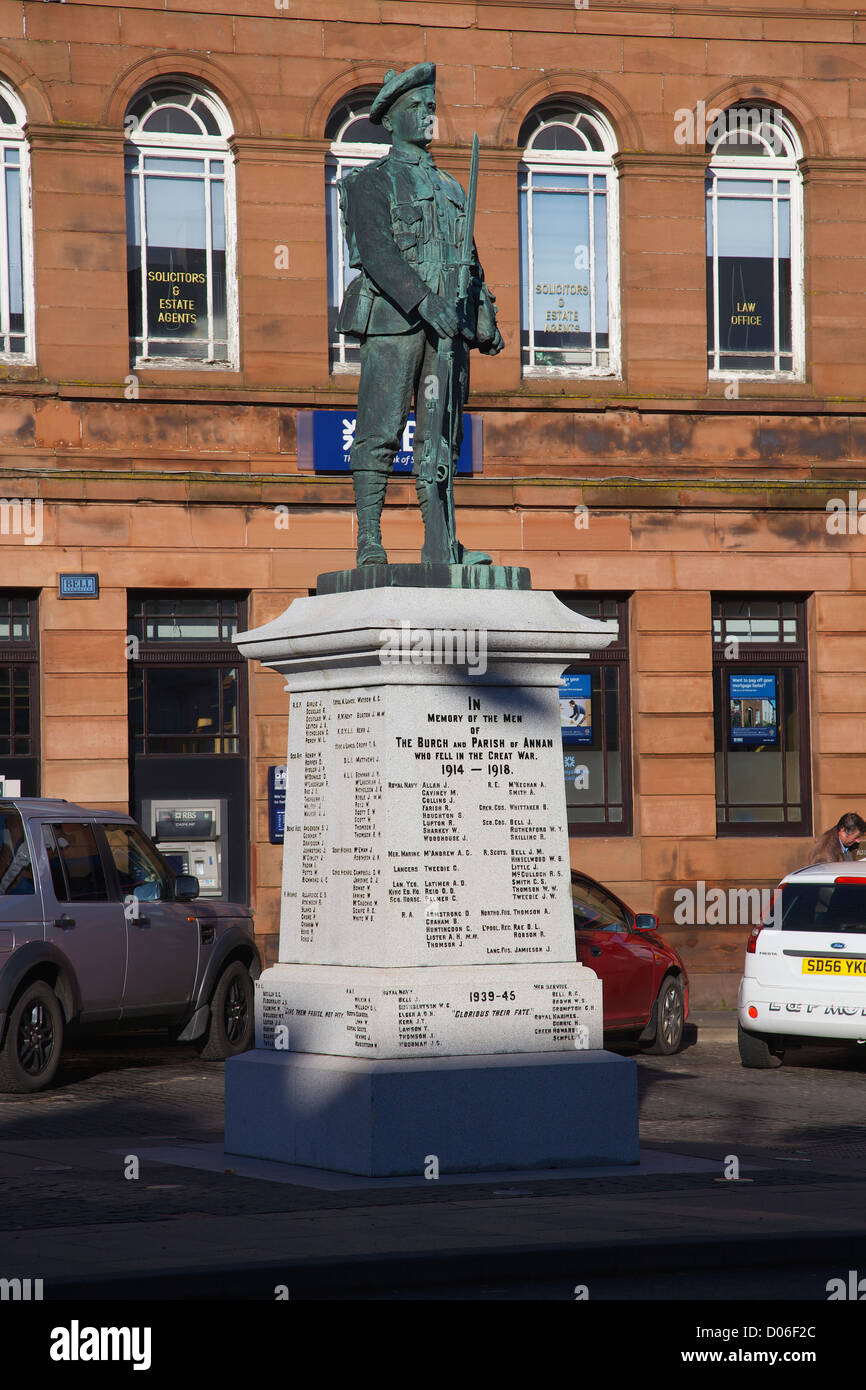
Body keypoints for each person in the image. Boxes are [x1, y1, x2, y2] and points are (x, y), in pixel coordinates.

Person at [335, 62, 504, 566]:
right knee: (380, 430)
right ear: (390, 120)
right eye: (416, 107)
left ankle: (442, 541)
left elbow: (467, 260)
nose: (428, 114)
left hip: (448, 333)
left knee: (442, 435)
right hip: (395, 321)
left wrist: (485, 321)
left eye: (431, 106)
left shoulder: (453, 189)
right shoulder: (372, 182)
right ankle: (369, 539)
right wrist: (428, 304)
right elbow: (378, 253)